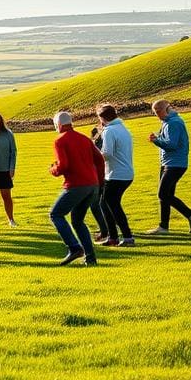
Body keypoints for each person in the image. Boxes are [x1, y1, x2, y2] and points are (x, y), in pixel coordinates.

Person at [48, 111, 104, 266]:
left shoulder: (60, 141)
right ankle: (90, 258)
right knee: (78, 220)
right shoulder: (85, 139)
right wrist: (99, 182)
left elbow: (63, 165)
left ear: (58, 125)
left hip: (76, 185)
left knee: (56, 214)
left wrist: (54, 169)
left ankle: (74, 248)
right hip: (92, 185)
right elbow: (99, 159)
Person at [146, 99, 191, 234]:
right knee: (165, 195)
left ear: (164, 109)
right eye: (155, 113)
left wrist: (156, 141)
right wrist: (158, 137)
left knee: (163, 193)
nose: (156, 115)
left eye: (157, 112)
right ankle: (163, 226)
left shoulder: (174, 123)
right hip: (168, 163)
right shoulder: (168, 122)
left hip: (175, 164)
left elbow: (172, 145)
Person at [96, 103, 136, 246]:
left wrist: (93, 154)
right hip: (125, 173)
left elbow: (107, 153)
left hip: (115, 174)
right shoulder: (123, 129)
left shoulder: (109, 131)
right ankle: (113, 237)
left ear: (102, 118)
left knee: (111, 204)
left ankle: (127, 237)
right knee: (105, 203)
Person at [89, 126, 109, 242]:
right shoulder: (101, 133)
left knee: (96, 204)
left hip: (100, 175)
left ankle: (105, 230)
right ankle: (106, 229)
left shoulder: (103, 135)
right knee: (101, 203)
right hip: (102, 174)